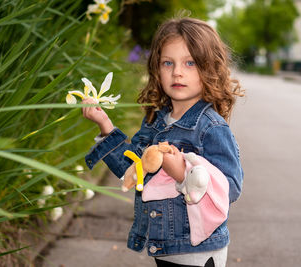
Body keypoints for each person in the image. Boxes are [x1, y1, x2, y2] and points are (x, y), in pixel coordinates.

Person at [82, 16, 244, 267]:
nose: (177, 72)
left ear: (209, 68)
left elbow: (231, 187)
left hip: (198, 250)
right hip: (165, 247)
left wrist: (184, 173)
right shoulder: (156, 121)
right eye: (168, 63)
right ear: (157, 69)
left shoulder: (211, 127)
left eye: (190, 63)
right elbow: (133, 169)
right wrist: (105, 126)